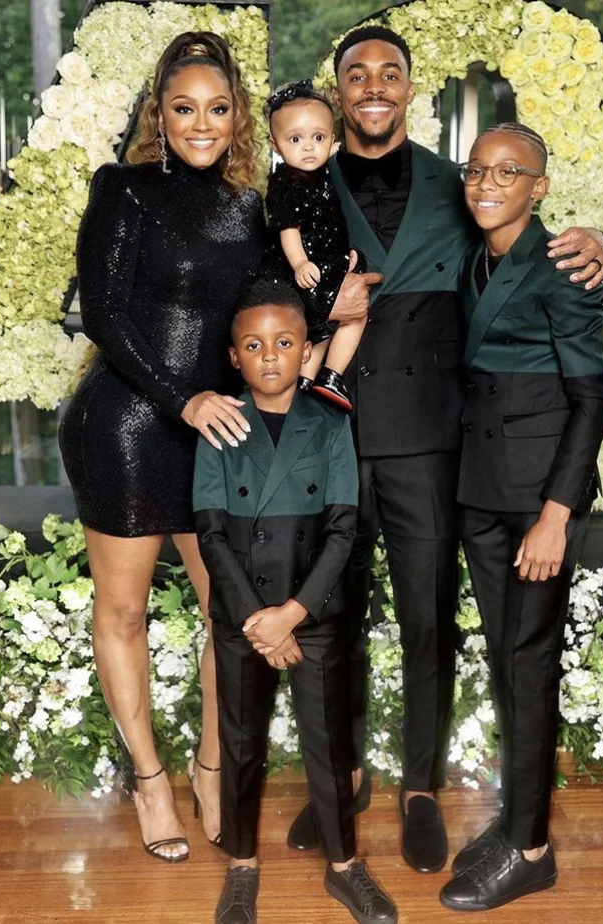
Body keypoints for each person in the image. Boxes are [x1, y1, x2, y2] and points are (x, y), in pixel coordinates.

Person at [286, 25, 603, 874]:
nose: (373, 85)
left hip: (431, 442)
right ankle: (343, 773)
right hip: (328, 434)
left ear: (408, 86)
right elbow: (260, 292)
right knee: (331, 613)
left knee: (427, 620)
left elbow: (527, 251)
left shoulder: (460, 183)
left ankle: (421, 785)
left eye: (389, 72)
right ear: (338, 88)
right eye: (356, 73)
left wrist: (600, 246)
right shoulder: (298, 180)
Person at [58, 32, 265, 861]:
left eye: (217, 108)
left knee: (230, 611)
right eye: (185, 108)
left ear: (237, 116)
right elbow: (103, 313)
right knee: (125, 610)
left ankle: (211, 768)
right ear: (160, 116)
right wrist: (183, 399)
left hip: (217, 431)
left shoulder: (251, 206)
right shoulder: (125, 189)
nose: (202, 124)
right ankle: (149, 780)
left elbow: (268, 311)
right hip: (129, 425)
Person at [439, 123, 603, 911]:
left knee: (531, 664)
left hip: (537, 500)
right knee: (507, 663)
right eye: (477, 169)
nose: (486, 182)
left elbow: (590, 400)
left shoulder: (564, 266)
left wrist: (555, 516)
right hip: (480, 488)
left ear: (539, 188)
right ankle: (516, 822)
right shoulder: (473, 255)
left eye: (507, 172)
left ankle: (533, 850)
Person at [193, 278, 397, 924]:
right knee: (240, 743)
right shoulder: (219, 428)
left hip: (313, 615)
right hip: (244, 618)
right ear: (234, 357)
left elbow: (342, 531)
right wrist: (259, 620)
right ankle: (241, 867)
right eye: (254, 345)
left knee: (329, 746)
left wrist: (292, 614)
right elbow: (210, 534)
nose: (271, 356)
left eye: (284, 342)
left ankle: (344, 865)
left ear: (307, 349)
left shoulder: (331, 422)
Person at [263, 79, 371, 411]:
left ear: (332, 140)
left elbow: (329, 222)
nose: (308, 147)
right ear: (275, 145)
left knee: (331, 325)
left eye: (318, 138)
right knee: (342, 319)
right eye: (295, 139)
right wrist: (299, 263)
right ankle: (324, 375)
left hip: (326, 261)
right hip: (304, 269)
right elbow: (289, 230)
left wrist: (343, 252)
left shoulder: (324, 176)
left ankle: (315, 379)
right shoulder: (287, 182)